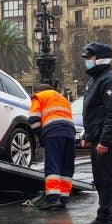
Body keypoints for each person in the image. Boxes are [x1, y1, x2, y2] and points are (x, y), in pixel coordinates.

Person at [78, 42, 112, 224]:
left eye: (90, 58)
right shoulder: (96, 80)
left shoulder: (110, 81)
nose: (88, 62)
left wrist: (105, 141)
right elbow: (94, 113)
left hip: (107, 140)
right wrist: (88, 136)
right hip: (97, 137)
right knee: (100, 180)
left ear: (100, 59)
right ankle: (103, 217)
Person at [27, 82, 75, 211]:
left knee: (53, 164)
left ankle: (53, 199)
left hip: (53, 132)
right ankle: (63, 199)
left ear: (39, 91)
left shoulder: (39, 96)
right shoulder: (62, 98)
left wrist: (40, 135)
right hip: (70, 132)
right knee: (66, 165)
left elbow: (33, 119)